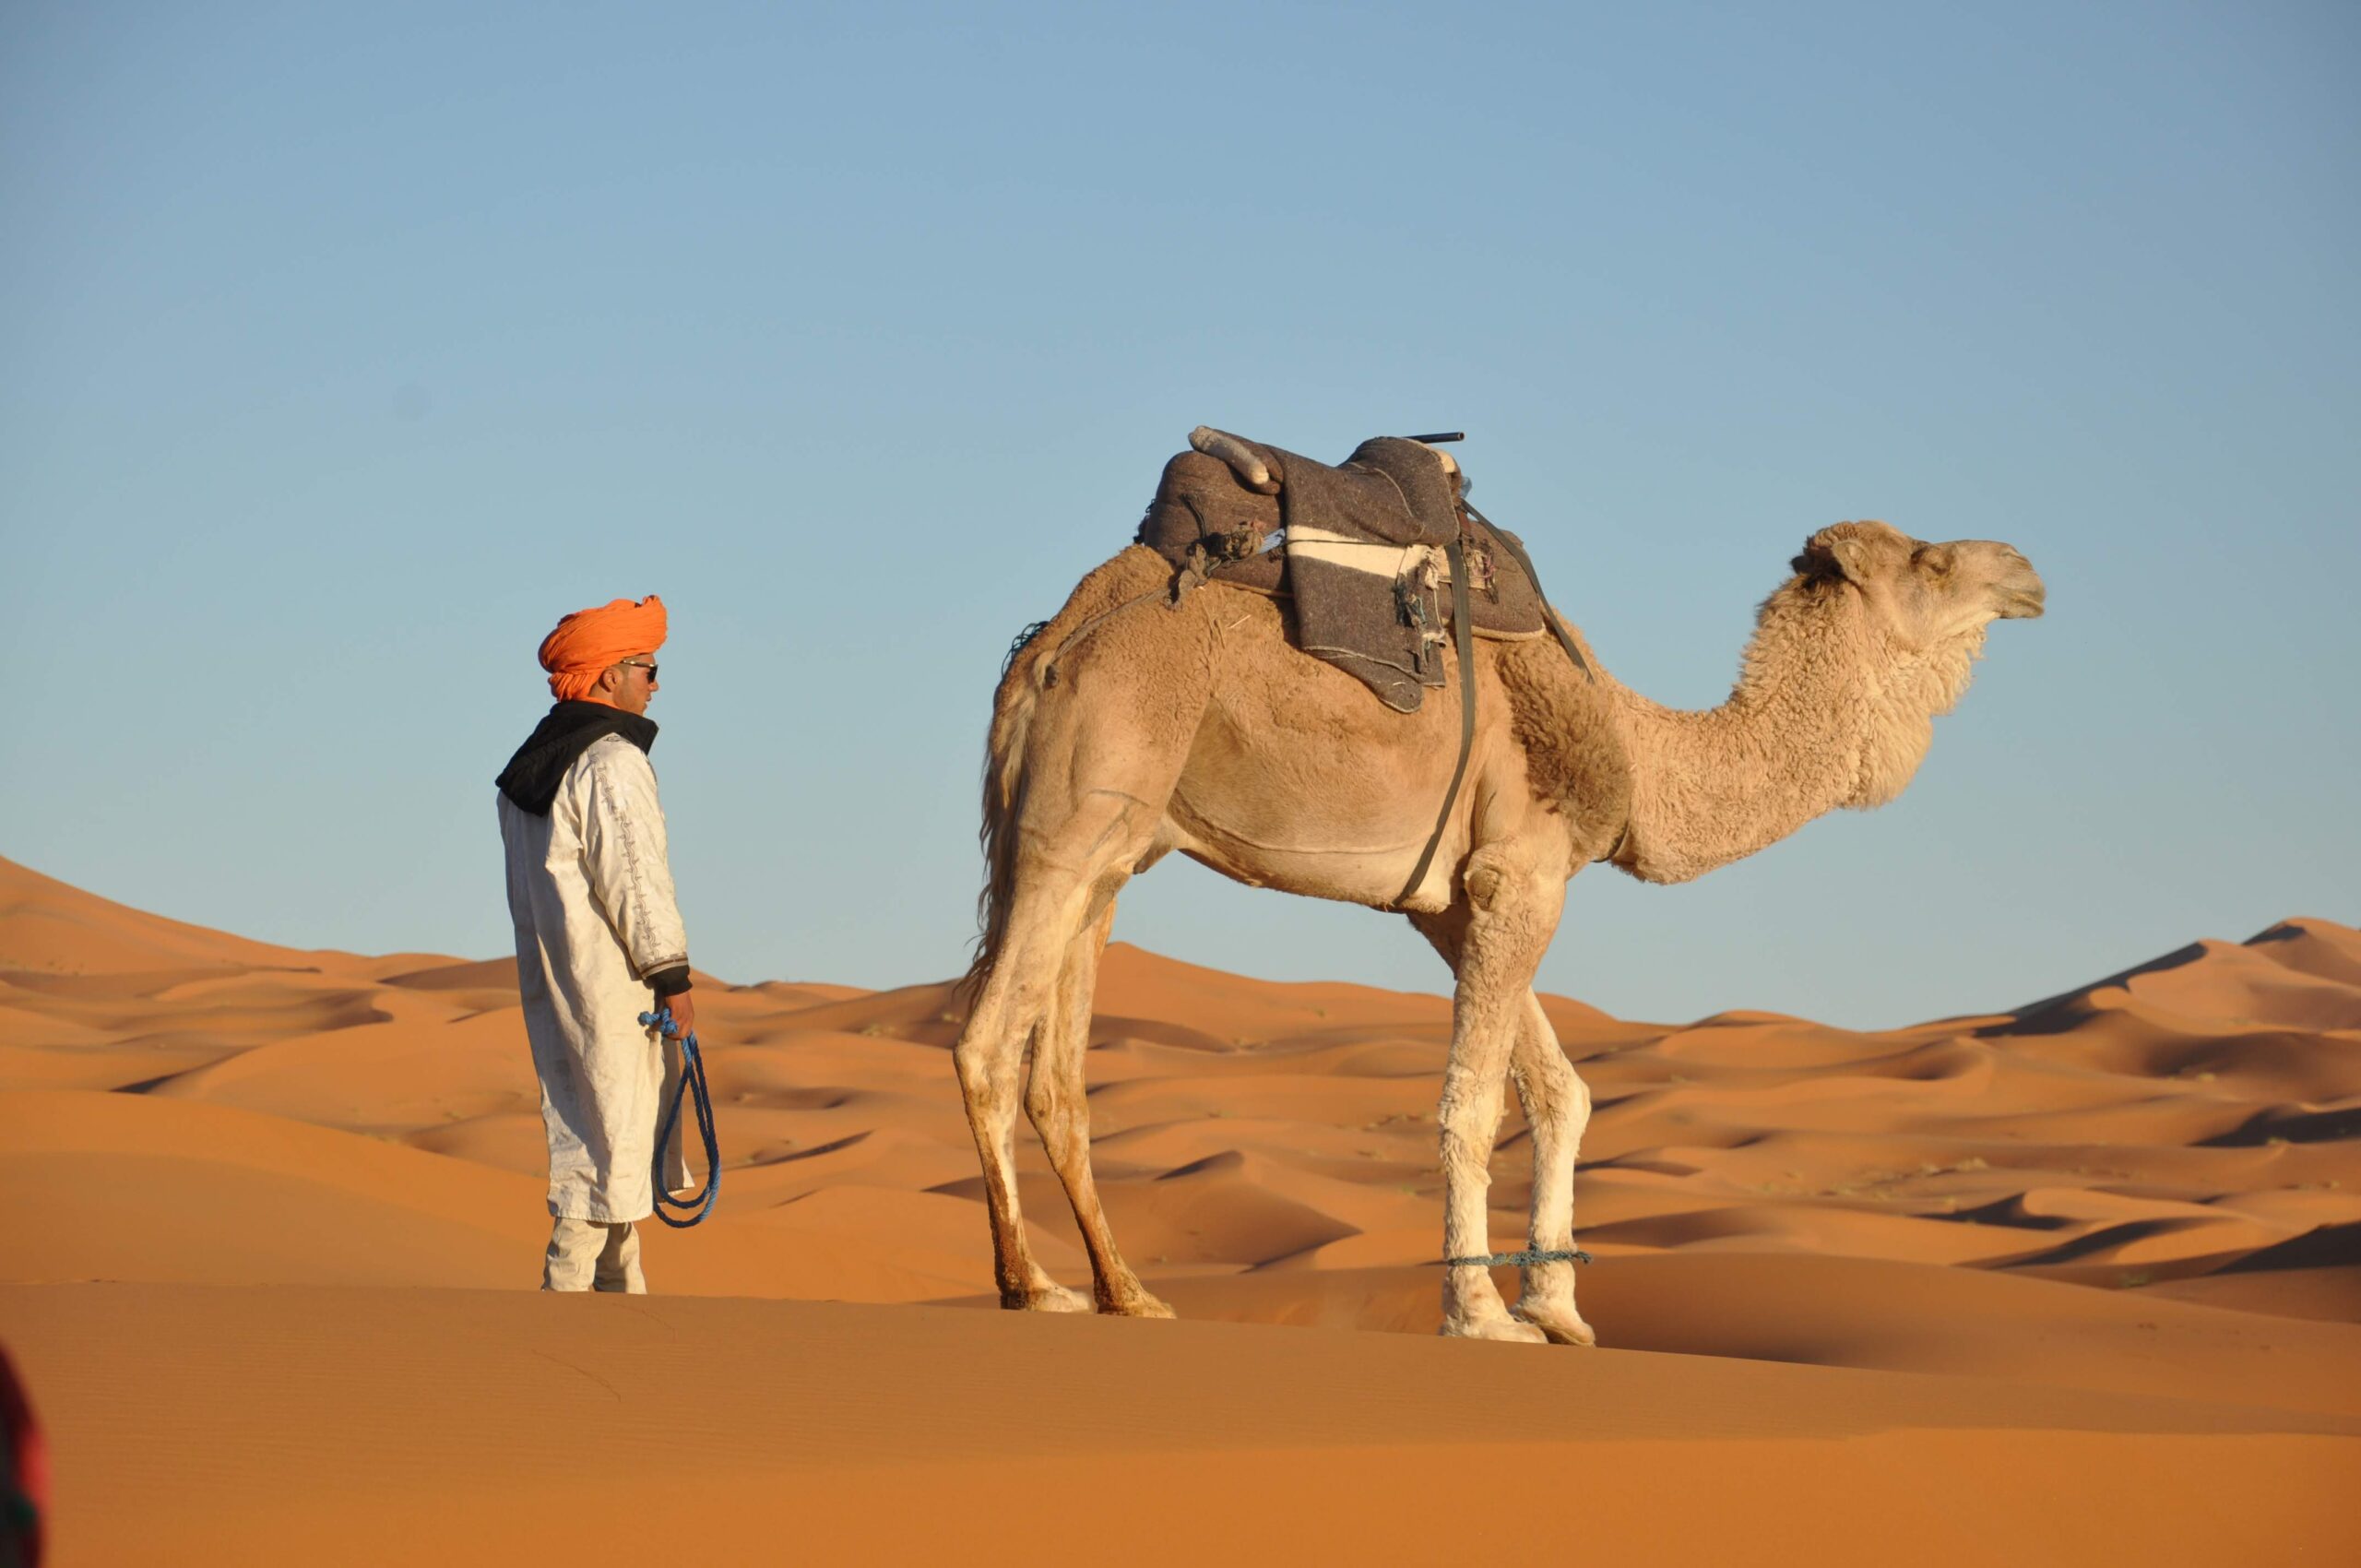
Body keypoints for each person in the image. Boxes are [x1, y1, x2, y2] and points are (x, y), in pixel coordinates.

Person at [495, 594, 696, 1292]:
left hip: (560, 982)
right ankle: (564, 1306)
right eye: (646, 666)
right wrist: (672, 978)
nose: (655, 682)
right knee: (606, 1148)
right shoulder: (609, 763)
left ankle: (622, 1316)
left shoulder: (533, 767)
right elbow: (636, 882)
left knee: (609, 1139)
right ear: (608, 675)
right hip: (616, 988)